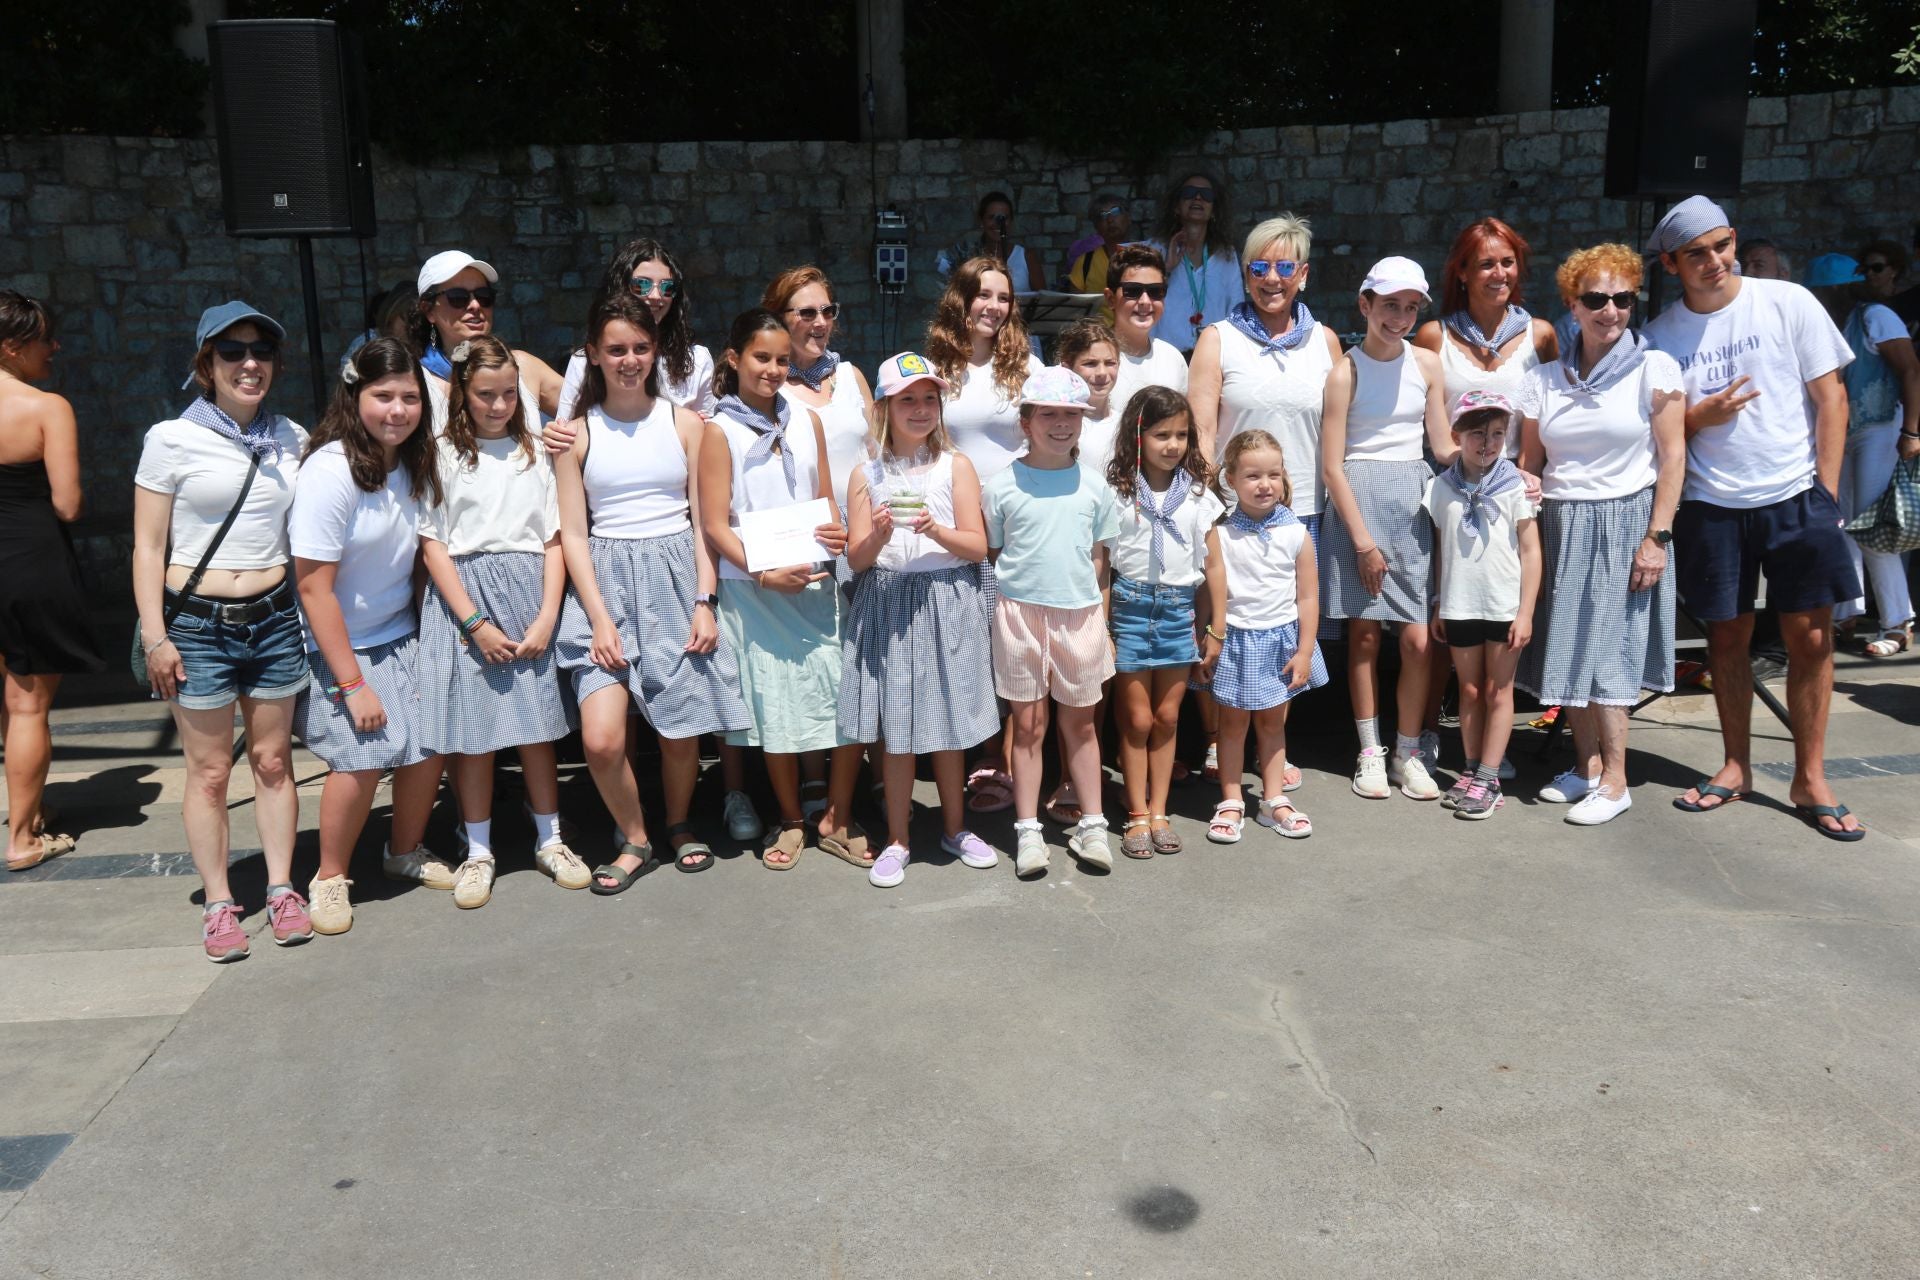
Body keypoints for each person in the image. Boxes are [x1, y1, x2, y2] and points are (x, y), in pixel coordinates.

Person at [1643, 196, 1863, 841]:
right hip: (1712, 506)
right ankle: (1735, 766)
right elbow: (1658, 430)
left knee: (1812, 640)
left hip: (1797, 495)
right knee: (1727, 642)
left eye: (1721, 245)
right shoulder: (1659, 335)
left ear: (1733, 239)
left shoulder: (1786, 302)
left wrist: (1824, 492)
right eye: (1695, 254)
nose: (1713, 261)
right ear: (1670, 263)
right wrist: (1696, 417)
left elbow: (1832, 398)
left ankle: (1810, 777)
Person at [554, 297, 751, 889]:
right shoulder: (576, 435)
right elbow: (573, 534)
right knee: (602, 737)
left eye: (640, 348)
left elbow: (704, 522)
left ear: (656, 352)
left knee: (680, 729)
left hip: (674, 580)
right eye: (616, 349)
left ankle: (680, 823)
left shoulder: (685, 424)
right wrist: (600, 619)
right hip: (603, 589)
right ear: (593, 354)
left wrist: (704, 601)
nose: (630, 360)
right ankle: (635, 836)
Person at [132, 301, 308, 957]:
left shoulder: (291, 436)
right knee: (208, 773)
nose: (249, 362)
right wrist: (156, 634)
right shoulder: (170, 440)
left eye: (261, 350)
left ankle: (283, 888)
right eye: (232, 351)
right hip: (197, 623)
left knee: (271, 762)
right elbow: (148, 547)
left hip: (272, 619)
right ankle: (219, 902)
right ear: (206, 363)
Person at [1516, 244, 1685, 825]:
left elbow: (1673, 458)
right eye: (1596, 299)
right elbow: (1531, 461)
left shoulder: (1654, 369)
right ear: (1572, 304)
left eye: (1622, 298)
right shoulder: (1544, 380)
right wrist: (1523, 492)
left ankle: (1617, 781)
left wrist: (1656, 538)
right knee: (1571, 655)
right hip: (1560, 524)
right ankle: (1586, 767)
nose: (1610, 310)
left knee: (1611, 656)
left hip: (1624, 521)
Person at [290, 338, 451, 935]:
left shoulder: (411, 462)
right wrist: (353, 683)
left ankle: (403, 851)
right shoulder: (329, 471)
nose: (398, 410)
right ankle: (330, 877)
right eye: (383, 396)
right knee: (361, 756)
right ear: (354, 395)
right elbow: (313, 590)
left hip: (399, 632)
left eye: (410, 397)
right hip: (339, 645)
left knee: (428, 744)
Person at [415, 335, 581, 908]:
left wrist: (547, 615)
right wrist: (472, 622)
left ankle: (551, 839)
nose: (499, 405)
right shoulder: (439, 454)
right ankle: (479, 850)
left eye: (509, 393)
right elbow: (433, 544)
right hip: (468, 600)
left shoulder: (535, 449)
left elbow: (556, 539)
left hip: (528, 592)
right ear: (463, 393)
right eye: (486, 394)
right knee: (475, 738)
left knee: (536, 733)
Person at [697, 309, 863, 871]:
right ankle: (791, 818)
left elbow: (823, 497)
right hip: (757, 589)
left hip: (815, 583)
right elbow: (716, 522)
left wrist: (836, 531)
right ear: (734, 359)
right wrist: (765, 572)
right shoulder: (719, 430)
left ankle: (837, 814)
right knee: (778, 708)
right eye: (761, 358)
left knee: (841, 695)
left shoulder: (805, 420)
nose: (772, 370)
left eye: (781, 360)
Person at [1187, 214, 1340, 784]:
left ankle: (1273, 743)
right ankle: (1216, 737)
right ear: (1245, 274)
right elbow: (1202, 429)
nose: (1271, 278)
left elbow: (1336, 429)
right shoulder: (1217, 339)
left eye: (1284, 267)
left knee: (1281, 627)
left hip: (1300, 511)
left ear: (1303, 274)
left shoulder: (1325, 342)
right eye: (1259, 267)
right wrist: (1210, 504)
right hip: (1231, 511)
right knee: (1223, 622)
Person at [839, 353, 1000, 887]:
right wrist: (881, 535)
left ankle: (956, 827)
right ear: (884, 407)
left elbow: (977, 546)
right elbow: (858, 559)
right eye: (907, 399)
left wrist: (935, 531)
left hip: (946, 599)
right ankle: (898, 837)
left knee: (951, 726)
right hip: (889, 601)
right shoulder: (867, 474)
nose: (920, 409)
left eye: (930, 398)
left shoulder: (956, 466)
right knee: (898, 729)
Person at [1413, 218, 1559, 771]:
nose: (1499, 273)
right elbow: (1426, 417)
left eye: (1508, 262)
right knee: (1443, 624)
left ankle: (1490, 755)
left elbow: (1545, 413)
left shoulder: (1540, 334)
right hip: (1449, 496)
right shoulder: (1433, 335)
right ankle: (1428, 734)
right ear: (1463, 272)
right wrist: (1459, 473)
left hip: (1512, 495)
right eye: (1486, 264)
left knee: (1502, 621)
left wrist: (1522, 475)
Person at [1319, 257, 1452, 802]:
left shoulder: (1428, 364)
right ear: (1365, 305)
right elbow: (1332, 464)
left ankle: (1407, 750)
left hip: (1413, 507)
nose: (1399, 316)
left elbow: (1441, 444)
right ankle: (1370, 750)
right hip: (1358, 510)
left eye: (1410, 307)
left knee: (1419, 640)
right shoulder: (1343, 371)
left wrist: (1489, 459)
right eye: (1389, 305)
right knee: (1366, 637)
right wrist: (1363, 542)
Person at [982, 368, 1119, 877]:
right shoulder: (1000, 486)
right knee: (1029, 724)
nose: (1061, 424)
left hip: (1080, 614)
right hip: (1018, 614)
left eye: (1071, 414)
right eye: (1049, 414)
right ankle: (1028, 831)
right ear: (1026, 421)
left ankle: (1092, 824)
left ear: (1083, 421)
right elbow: (995, 553)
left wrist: (1101, 621)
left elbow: (1100, 560)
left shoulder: (1096, 487)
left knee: (1080, 723)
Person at [924, 256, 1046, 813]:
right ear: (961, 299)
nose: (994, 307)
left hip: (1017, 525)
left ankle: (998, 754)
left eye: (1003, 297)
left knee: (1010, 644)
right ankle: (973, 746)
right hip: (958, 526)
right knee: (968, 642)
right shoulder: (933, 367)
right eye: (983, 295)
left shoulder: (1025, 367)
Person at [0, 292, 105, 873]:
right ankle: (22, 838)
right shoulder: (46, 408)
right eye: (45, 339)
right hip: (29, 559)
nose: (54, 348)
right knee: (28, 706)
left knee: (7, 701)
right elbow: (67, 505)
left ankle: (30, 811)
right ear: (13, 347)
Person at [1105, 387, 1225, 857]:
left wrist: (1217, 627)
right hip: (1130, 609)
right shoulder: (1117, 492)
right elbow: (1102, 564)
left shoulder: (1197, 494)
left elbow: (1213, 566)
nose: (1172, 445)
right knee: (1136, 718)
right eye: (1161, 435)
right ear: (1138, 435)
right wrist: (1103, 624)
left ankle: (1159, 810)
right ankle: (1135, 813)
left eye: (1180, 435)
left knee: (1168, 716)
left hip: (1179, 611)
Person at [1204, 429, 1328, 843]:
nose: (1265, 485)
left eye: (1273, 474)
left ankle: (1273, 799)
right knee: (1232, 726)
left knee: (1274, 725)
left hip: (1281, 641)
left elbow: (1308, 596)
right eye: (1253, 476)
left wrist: (1306, 649)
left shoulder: (1296, 531)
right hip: (1237, 640)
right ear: (1231, 480)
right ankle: (1232, 798)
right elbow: (1209, 592)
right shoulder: (1219, 532)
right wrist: (1207, 636)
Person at [1425, 393, 1541, 820]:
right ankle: (1473, 770)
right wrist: (1438, 601)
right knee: (1470, 690)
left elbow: (1531, 552)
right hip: (1459, 605)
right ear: (1457, 436)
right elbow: (1441, 548)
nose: (1488, 443)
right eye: (1477, 434)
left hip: (1503, 605)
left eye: (1496, 434)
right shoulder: (1440, 488)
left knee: (1498, 689)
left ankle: (1490, 777)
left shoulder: (1516, 486)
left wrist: (1525, 612)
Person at [1810, 248, 1920, 656]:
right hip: (1848, 433)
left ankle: (1897, 622)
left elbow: (1910, 369)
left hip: (1880, 428)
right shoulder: (1831, 326)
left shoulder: (1875, 316)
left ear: (1842, 289)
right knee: (1844, 524)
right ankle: (1846, 613)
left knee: (1871, 527)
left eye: (1825, 293)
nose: (1820, 301)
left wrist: (1911, 432)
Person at [557, 237, 717, 419]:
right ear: (621, 287)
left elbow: (709, 432)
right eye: (642, 285)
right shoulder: (584, 361)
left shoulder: (697, 359)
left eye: (667, 287)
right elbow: (566, 427)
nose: (656, 296)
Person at [764, 266, 876, 512]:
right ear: (779, 319)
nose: (821, 322)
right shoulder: (770, 389)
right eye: (807, 313)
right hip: (809, 525)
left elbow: (877, 452)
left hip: (866, 520)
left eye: (828, 311)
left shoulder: (851, 376)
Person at [411, 249, 563, 425]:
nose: (475, 305)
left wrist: (563, 438)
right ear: (428, 310)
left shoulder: (524, 367)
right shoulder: (416, 382)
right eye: (458, 297)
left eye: (484, 296)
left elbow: (593, 411)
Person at [1150, 171, 1241, 355]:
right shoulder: (1155, 250)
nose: (1198, 197)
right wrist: (1165, 270)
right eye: (1189, 193)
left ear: (1214, 210)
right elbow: (1142, 302)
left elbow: (1236, 309)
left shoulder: (1226, 255)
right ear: (1176, 207)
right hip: (1165, 356)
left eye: (1206, 195)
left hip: (1213, 357)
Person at [1105, 244, 1190, 410]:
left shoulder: (1172, 358)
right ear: (1110, 298)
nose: (1145, 301)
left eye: (1155, 291)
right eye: (1133, 291)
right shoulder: (1090, 360)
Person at [937, 192, 1045, 296]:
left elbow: (1044, 301)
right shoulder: (969, 258)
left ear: (1011, 221)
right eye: (991, 217)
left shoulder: (1027, 257)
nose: (998, 223)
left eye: (1004, 218)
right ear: (981, 221)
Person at [1055, 318, 1122, 480]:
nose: (1101, 372)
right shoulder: (1058, 427)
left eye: (1110, 363)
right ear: (1067, 368)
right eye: (1090, 363)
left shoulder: (1125, 423)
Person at [1063, 193, 1134, 324]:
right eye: (1103, 215)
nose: (1110, 219)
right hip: (1100, 339)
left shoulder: (1144, 257)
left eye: (1115, 211)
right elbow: (1076, 312)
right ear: (1096, 227)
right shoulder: (1085, 263)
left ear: (1128, 218)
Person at [341, 281, 418, 369]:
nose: (413, 325)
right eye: (407, 318)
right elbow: (347, 373)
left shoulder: (426, 348)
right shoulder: (367, 341)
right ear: (392, 314)